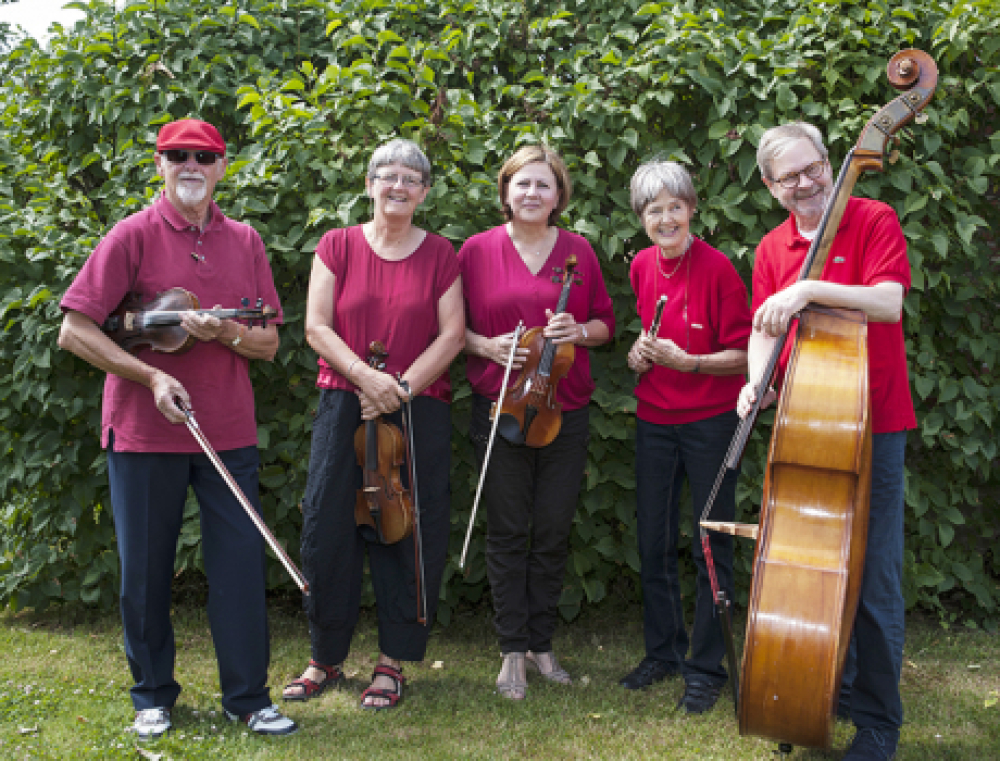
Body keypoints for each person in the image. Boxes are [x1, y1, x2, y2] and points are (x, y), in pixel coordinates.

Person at [58, 119, 297, 739]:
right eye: (178, 156)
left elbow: (268, 342)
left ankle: (247, 699)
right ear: (161, 165)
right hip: (143, 432)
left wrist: (228, 333)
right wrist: (151, 376)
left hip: (227, 430)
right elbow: (75, 329)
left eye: (205, 156)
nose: (192, 165)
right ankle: (152, 696)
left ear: (222, 167)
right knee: (145, 569)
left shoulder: (245, 241)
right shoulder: (131, 234)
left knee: (241, 565)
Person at [737, 121, 915, 761]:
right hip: (807, 421)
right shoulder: (770, 247)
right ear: (770, 186)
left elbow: (888, 303)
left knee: (873, 579)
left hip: (876, 420)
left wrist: (807, 290)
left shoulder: (872, 217)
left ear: (831, 163)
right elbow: (764, 326)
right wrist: (756, 381)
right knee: (813, 570)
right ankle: (821, 691)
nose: (808, 183)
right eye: (791, 176)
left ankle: (877, 722)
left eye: (816, 167)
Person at [282, 138, 464, 711]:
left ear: (425, 193)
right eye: (388, 174)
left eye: (412, 177)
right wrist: (367, 377)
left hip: (417, 403)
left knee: (407, 530)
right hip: (344, 400)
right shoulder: (336, 245)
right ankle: (324, 657)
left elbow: (453, 335)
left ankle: (393, 662)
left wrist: (399, 388)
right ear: (369, 184)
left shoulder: (441, 254)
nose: (399, 185)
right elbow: (316, 327)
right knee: (328, 528)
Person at [459, 144, 615, 700]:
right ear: (505, 191)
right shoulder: (474, 251)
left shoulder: (579, 252)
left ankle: (541, 644)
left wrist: (579, 332)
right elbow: (453, 331)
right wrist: (485, 344)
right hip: (500, 407)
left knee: (551, 529)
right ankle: (510, 653)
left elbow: (606, 325)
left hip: (564, 411)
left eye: (543, 186)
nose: (532, 194)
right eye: (522, 184)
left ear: (558, 197)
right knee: (505, 530)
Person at [620, 160, 751, 713]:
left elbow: (746, 356)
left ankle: (706, 667)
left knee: (710, 545)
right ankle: (664, 652)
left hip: (711, 421)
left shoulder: (720, 268)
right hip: (655, 419)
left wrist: (689, 362)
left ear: (693, 208)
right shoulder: (642, 266)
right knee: (651, 540)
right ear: (642, 219)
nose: (666, 218)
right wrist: (639, 356)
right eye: (655, 210)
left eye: (676, 206)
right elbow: (651, 339)